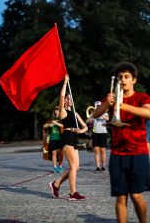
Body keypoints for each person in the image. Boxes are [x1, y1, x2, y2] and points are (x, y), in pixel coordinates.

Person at [92, 62, 150, 223]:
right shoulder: (111, 97)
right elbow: (95, 115)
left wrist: (121, 104)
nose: (123, 80)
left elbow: (148, 112)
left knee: (137, 196)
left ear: (134, 80)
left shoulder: (141, 97)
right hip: (117, 154)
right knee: (120, 198)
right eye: (120, 77)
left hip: (138, 153)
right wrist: (107, 104)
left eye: (126, 77)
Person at [50, 74, 88, 200]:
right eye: (68, 99)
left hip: (74, 137)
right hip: (66, 137)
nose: (69, 100)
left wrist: (80, 130)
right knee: (73, 167)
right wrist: (65, 83)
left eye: (71, 99)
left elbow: (86, 127)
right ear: (65, 101)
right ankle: (73, 193)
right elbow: (61, 96)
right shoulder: (63, 111)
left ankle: (56, 184)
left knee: (76, 168)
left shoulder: (75, 113)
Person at [87, 101, 109, 172]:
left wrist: (100, 114)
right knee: (96, 151)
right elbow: (88, 121)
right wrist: (91, 116)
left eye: (99, 106)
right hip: (95, 132)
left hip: (103, 133)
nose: (98, 107)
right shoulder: (93, 114)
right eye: (97, 106)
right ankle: (97, 167)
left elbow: (107, 119)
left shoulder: (105, 113)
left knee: (103, 151)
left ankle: (103, 167)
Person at [43, 106, 64, 173]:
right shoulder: (51, 119)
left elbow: (63, 126)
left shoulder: (62, 118)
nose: (56, 111)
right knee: (53, 153)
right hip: (53, 138)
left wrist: (56, 123)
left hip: (61, 139)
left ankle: (60, 166)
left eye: (57, 110)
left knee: (61, 154)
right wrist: (49, 125)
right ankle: (54, 167)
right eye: (55, 110)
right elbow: (44, 126)